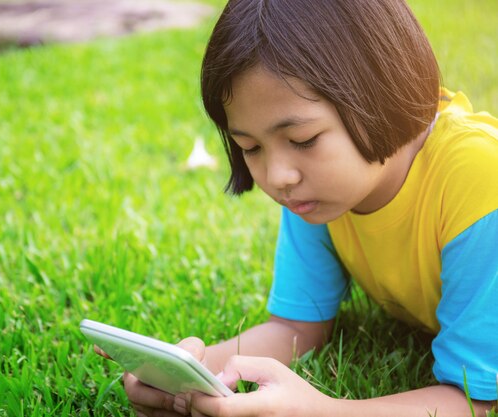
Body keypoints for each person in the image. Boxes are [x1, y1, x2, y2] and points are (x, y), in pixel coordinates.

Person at [101, 0, 498, 415]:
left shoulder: (480, 180)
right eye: (249, 147)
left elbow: (474, 400)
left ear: (381, 90)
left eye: (303, 139)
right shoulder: (322, 193)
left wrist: (320, 410)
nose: (277, 177)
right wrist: (193, 371)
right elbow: (296, 327)